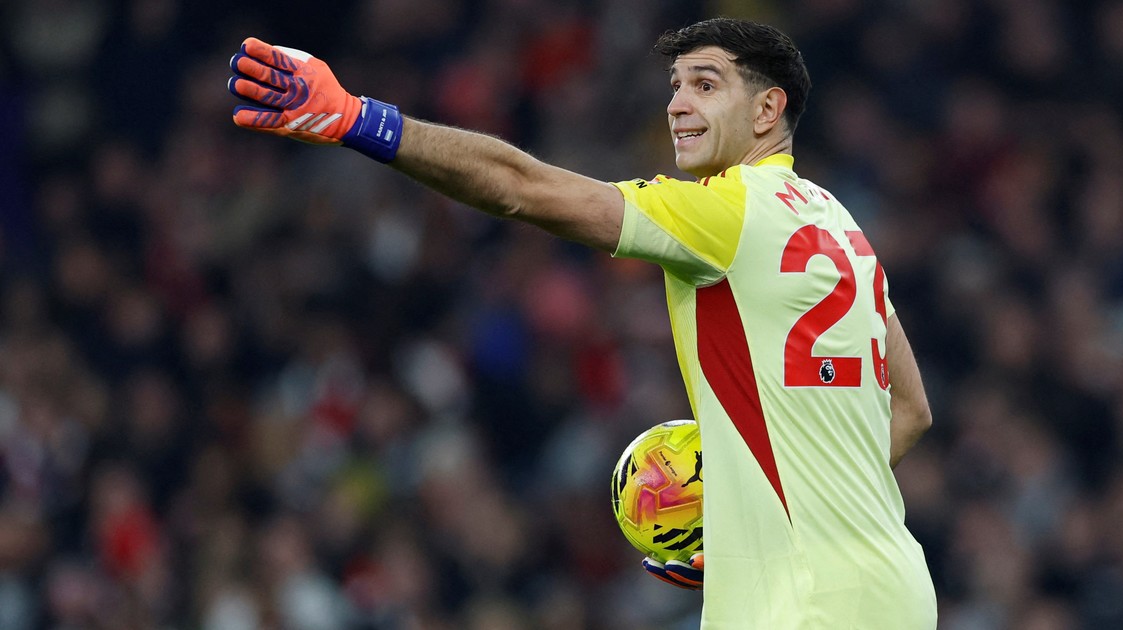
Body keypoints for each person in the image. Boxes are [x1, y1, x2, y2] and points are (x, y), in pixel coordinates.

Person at [227, 17, 936, 628]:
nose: (678, 105)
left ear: (767, 108)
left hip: (800, 603)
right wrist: (765, 522)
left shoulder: (727, 211)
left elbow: (521, 189)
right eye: (675, 86)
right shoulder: (841, 226)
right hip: (893, 585)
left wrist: (358, 119)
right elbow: (910, 411)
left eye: (706, 85)